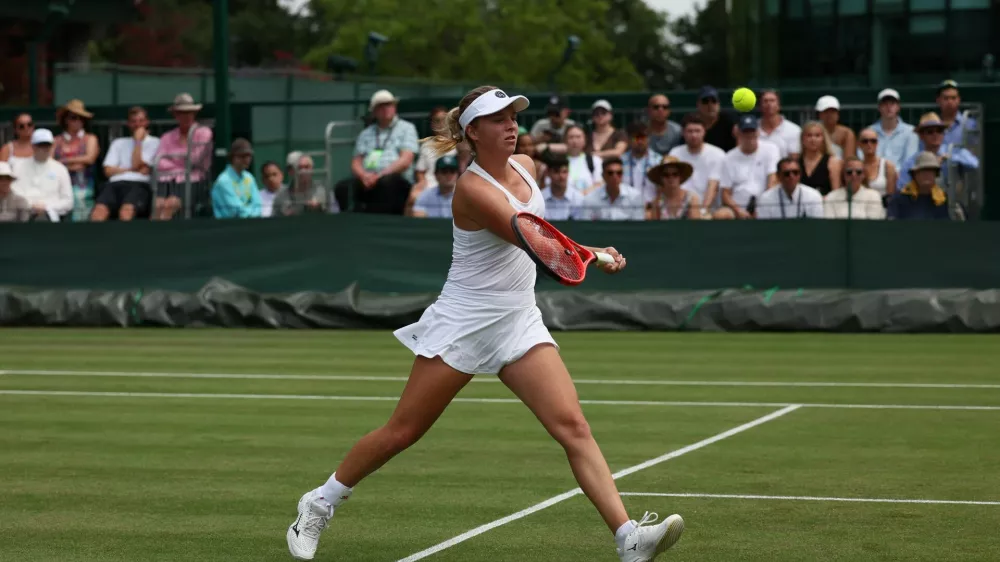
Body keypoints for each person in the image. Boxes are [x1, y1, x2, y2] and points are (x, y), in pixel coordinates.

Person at [285, 85, 683, 562]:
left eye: (514, 115)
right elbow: (532, 239)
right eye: (498, 118)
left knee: (573, 426)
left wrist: (587, 251)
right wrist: (593, 254)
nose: (512, 124)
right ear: (473, 131)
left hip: (518, 319)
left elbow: (546, 235)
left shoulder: (528, 166)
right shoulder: (471, 190)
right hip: (465, 321)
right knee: (402, 432)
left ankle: (628, 538)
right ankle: (320, 501)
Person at [334, 89, 419, 214]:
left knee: (386, 184)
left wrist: (380, 175)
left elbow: (406, 160)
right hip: (368, 178)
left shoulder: (407, 128)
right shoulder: (366, 133)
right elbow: (356, 162)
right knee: (343, 187)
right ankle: (352, 223)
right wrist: (364, 176)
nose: (386, 109)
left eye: (389, 104)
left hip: (395, 179)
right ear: (374, 112)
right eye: (381, 106)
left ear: (394, 107)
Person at [92, 106, 160, 222]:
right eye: (134, 121)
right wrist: (131, 169)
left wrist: (138, 141)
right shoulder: (118, 143)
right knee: (99, 211)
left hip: (139, 185)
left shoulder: (155, 142)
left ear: (147, 122)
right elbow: (108, 170)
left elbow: (139, 165)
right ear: (128, 124)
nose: (137, 125)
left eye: (141, 121)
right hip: (114, 184)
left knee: (126, 212)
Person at [715, 115, 780, 220]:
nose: (749, 136)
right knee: (721, 215)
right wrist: (738, 210)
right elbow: (725, 193)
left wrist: (761, 208)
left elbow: (772, 182)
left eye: (752, 132)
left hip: (764, 204)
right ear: (738, 134)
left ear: (758, 132)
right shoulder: (728, 157)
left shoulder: (771, 149)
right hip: (737, 207)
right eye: (746, 132)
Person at [53, 99, 100, 221]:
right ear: (66, 120)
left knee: (79, 196)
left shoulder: (90, 138)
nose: (78, 121)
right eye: (74, 117)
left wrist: (63, 161)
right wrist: (75, 163)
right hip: (57, 184)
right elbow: (50, 162)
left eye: (81, 118)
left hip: (83, 183)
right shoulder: (56, 141)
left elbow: (89, 159)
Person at [11, 128, 73, 221]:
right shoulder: (18, 167)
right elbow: (14, 193)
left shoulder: (60, 169)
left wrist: (47, 207)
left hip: (51, 218)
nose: (45, 149)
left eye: (47, 145)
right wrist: (31, 205)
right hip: (24, 218)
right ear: (33, 146)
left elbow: (68, 201)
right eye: (41, 145)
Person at [668, 114, 724, 214]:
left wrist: (703, 211)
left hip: (710, 211)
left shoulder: (717, 154)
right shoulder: (674, 153)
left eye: (697, 131)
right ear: (683, 133)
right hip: (681, 210)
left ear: (704, 132)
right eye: (690, 131)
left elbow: (713, 186)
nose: (694, 135)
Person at [755, 157, 824, 220]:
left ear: (800, 174)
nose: (792, 176)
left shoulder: (813, 196)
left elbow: (816, 226)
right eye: (786, 174)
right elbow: (764, 228)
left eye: (795, 172)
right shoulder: (766, 199)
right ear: (778, 176)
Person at [888, 151, 950, 220]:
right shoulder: (899, 199)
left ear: (936, 174)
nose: (927, 174)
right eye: (922, 170)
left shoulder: (943, 200)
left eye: (931, 170)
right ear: (915, 175)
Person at [580, 155, 645, 221]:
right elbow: (586, 226)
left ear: (622, 175)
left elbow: (638, 227)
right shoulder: (591, 198)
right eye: (610, 173)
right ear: (603, 175)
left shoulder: (635, 197)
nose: (615, 176)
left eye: (619, 173)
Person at [211, 138, 262, 219]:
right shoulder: (223, 181)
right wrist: (252, 214)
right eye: (243, 156)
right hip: (227, 227)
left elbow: (258, 205)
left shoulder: (249, 177)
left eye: (249, 156)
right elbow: (235, 210)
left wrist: (253, 216)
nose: (247, 159)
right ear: (233, 157)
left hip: (251, 225)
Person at [645, 156, 702, 220]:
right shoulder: (656, 202)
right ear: (661, 178)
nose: (671, 178)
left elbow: (696, 227)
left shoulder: (691, 199)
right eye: (666, 175)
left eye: (675, 174)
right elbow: (655, 228)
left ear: (680, 176)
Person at [621, 121, 662, 206]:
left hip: (651, 211)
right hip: (626, 210)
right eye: (636, 138)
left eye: (643, 137)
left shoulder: (659, 161)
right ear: (628, 139)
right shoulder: (620, 162)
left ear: (649, 139)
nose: (639, 141)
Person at [798, 121, 842, 196]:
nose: (813, 139)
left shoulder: (832, 162)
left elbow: (836, 192)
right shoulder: (795, 163)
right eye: (809, 135)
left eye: (817, 136)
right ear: (802, 139)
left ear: (823, 139)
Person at [540, 153, 585, 221]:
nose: (561, 176)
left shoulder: (578, 198)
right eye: (556, 172)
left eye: (564, 172)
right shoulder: (540, 198)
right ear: (548, 173)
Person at [857, 128, 897, 198]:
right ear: (859, 144)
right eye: (865, 141)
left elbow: (891, 196)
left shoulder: (888, 166)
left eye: (873, 141)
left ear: (877, 144)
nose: (869, 144)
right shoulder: (856, 167)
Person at [564, 124, 602, 194]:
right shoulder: (559, 161)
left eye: (578, 137)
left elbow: (599, 184)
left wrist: (580, 196)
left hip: (587, 202)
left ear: (585, 139)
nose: (574, 141)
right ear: (565, 140)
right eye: (571, 137)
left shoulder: (595, 160)